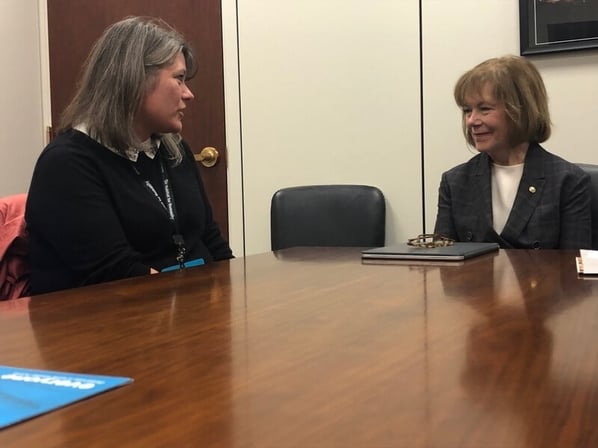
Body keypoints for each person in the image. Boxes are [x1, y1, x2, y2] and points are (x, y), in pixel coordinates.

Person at [26, 16, 233, 295]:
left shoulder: (175, 150)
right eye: (179, 79)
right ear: (135, 80)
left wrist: (236, 303)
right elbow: (117, 275)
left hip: (180, 315)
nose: (188, 94)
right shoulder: (66, 164)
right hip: (108, 325)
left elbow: (211, 241)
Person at [433, 55, 591, 249]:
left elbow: (573, 270)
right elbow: (442, 264)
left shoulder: (568, 182)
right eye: (467, 110)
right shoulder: (454, 182)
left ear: (521, 111)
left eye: (484, 109)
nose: (471, 121)